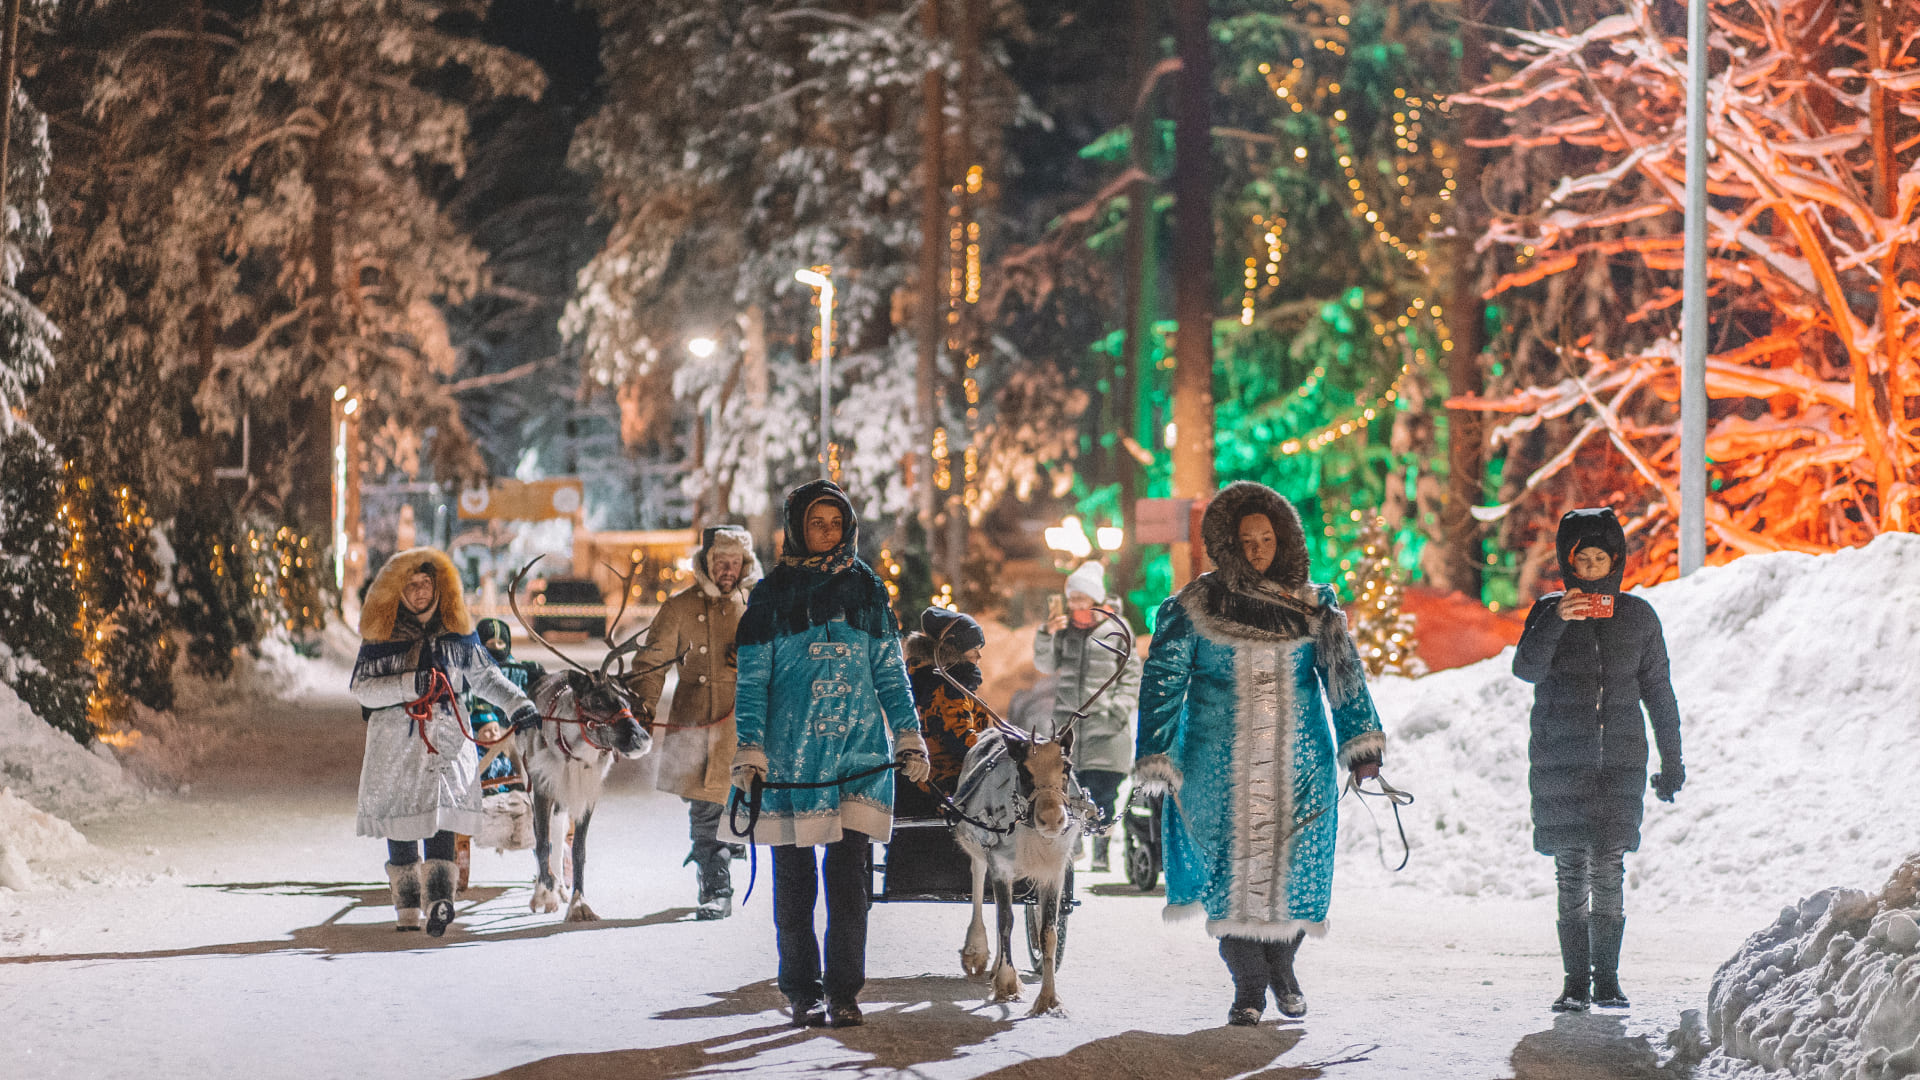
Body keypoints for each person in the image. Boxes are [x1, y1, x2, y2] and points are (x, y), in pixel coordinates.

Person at [1134, 481, 1386, 1026]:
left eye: (1265, 538)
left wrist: (1362, 744)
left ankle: (1285, 971)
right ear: (1227, 541)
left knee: (1294, 873)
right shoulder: (1194, 606)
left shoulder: (1314, 604)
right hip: (1215, 770)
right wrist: (1155, 753)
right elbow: (1163, 680)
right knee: (1230, 875)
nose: (1255, 549)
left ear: (1284, 539)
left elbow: (1343, 676)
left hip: (1301, 769)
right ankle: (1248, 987)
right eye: (1245, 539)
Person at [731, 480, 927, 1029]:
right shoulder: (770, 597)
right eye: (816, 523)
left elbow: (890, 673)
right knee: (795, 890)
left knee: (849, 892)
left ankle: (843, 992)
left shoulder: (867, 590)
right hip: (790, 766)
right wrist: (750, 750)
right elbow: (753, 684)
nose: (827, 533)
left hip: (857, 760)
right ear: (797, 526)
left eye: (836, 523)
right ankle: (801, 989)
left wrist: (908, 734)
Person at [1513, 507, 1683, 1013]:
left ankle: (1606, 980)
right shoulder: (1549, 610)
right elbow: (1526, 669)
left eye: (1599, 558)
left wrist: (1671, 761)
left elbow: (1659, 691)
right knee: (1571, 869)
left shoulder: (1637, 617)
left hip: (1619, 765)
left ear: (1615, 561)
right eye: (1580, 559)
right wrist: (1555, 621)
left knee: (1609, 866)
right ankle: (1574, 982)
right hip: (1560, 763)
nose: (1590, 567)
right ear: (1568, 564)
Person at [351, 548, 538, 937]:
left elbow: (485, 677)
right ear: (397, 590)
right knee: (400, 820)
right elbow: (363, 688)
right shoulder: (381, 637)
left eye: (426, 584)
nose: (419, 592)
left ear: (439, 588)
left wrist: (518, 704)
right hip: (396, 740)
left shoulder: (457, 635)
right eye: (411, 585)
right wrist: (408, 685)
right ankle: (406, 907)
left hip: (446, 736)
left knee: (443, 816)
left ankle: (440, 901)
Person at [627, 525, 764, 920]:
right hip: (696, 727)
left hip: (744, 725)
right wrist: (643, 709)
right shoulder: (679, 608)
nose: (727, 569)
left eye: (734, 562)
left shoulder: (759, 607)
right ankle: (715, 884)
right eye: (720, 561)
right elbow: (650, 665)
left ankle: (725, 849)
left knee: (737, 804)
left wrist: (755, 660)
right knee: (706, 808)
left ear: (745, 564)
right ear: (706, 561)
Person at [1032, 561, 1140, 871]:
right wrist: (1046, 633)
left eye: (1081, 597)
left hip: (1106, 726)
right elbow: (1045, 664)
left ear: (1095, 598)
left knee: (1103, 791)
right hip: (1069, 727)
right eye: (1072, 598)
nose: (1075, 604)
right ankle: (1074, 846)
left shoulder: (1116, 628)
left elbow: (1131, 672)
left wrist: (1117, 710)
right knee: (1066, 787)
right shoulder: (1065, 631)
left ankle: (1102, 852)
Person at [897, 607, 991, 818]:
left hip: (920, 783)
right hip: (945, 787)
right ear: (954, 650)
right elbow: (961, 740)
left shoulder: (926, 678)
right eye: (973, 648)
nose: (979, 654)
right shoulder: (948, 687)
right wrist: (997, 747)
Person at [469, 617, 545, 793]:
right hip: (482, 733)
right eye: (490, 643)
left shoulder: (522, 671)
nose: (496, 648)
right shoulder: (473, 671)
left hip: (513, 734)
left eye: (500, 642)